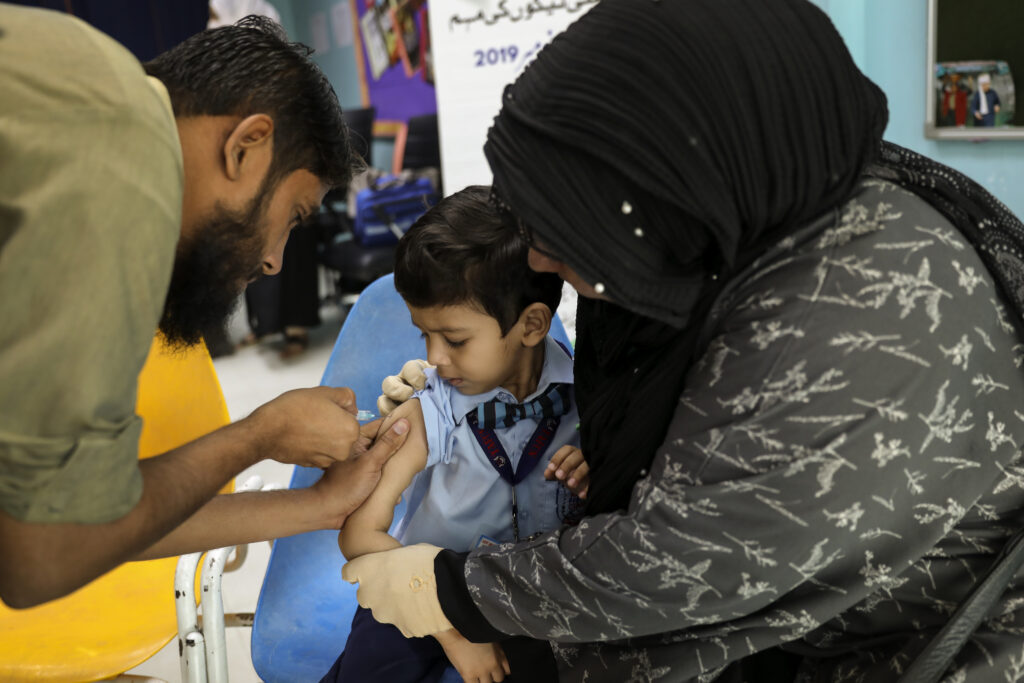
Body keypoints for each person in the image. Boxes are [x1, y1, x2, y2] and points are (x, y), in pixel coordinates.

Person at [342, 0, 1024, 680]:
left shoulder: (853, 308)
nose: (542, 262)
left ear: (662, 180)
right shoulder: (735, 225)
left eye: (561, 226)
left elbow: (683, 563)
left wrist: (456, 590)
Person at [0, 6, 409, 609]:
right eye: (292, 218)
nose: (274, 261)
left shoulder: (84, 82)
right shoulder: (123, 177)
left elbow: (84, 514)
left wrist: (317, 505)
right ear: (247, 145)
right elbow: (46, 551)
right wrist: (255, 437)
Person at [322, 186, 587, 683]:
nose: (436, 358)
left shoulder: (588, 398)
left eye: (455, 339)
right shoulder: (431, 406)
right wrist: (449, 631)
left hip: (523, 601)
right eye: (426, 334)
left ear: (532, 325)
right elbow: (359, 534)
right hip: (420, 594)